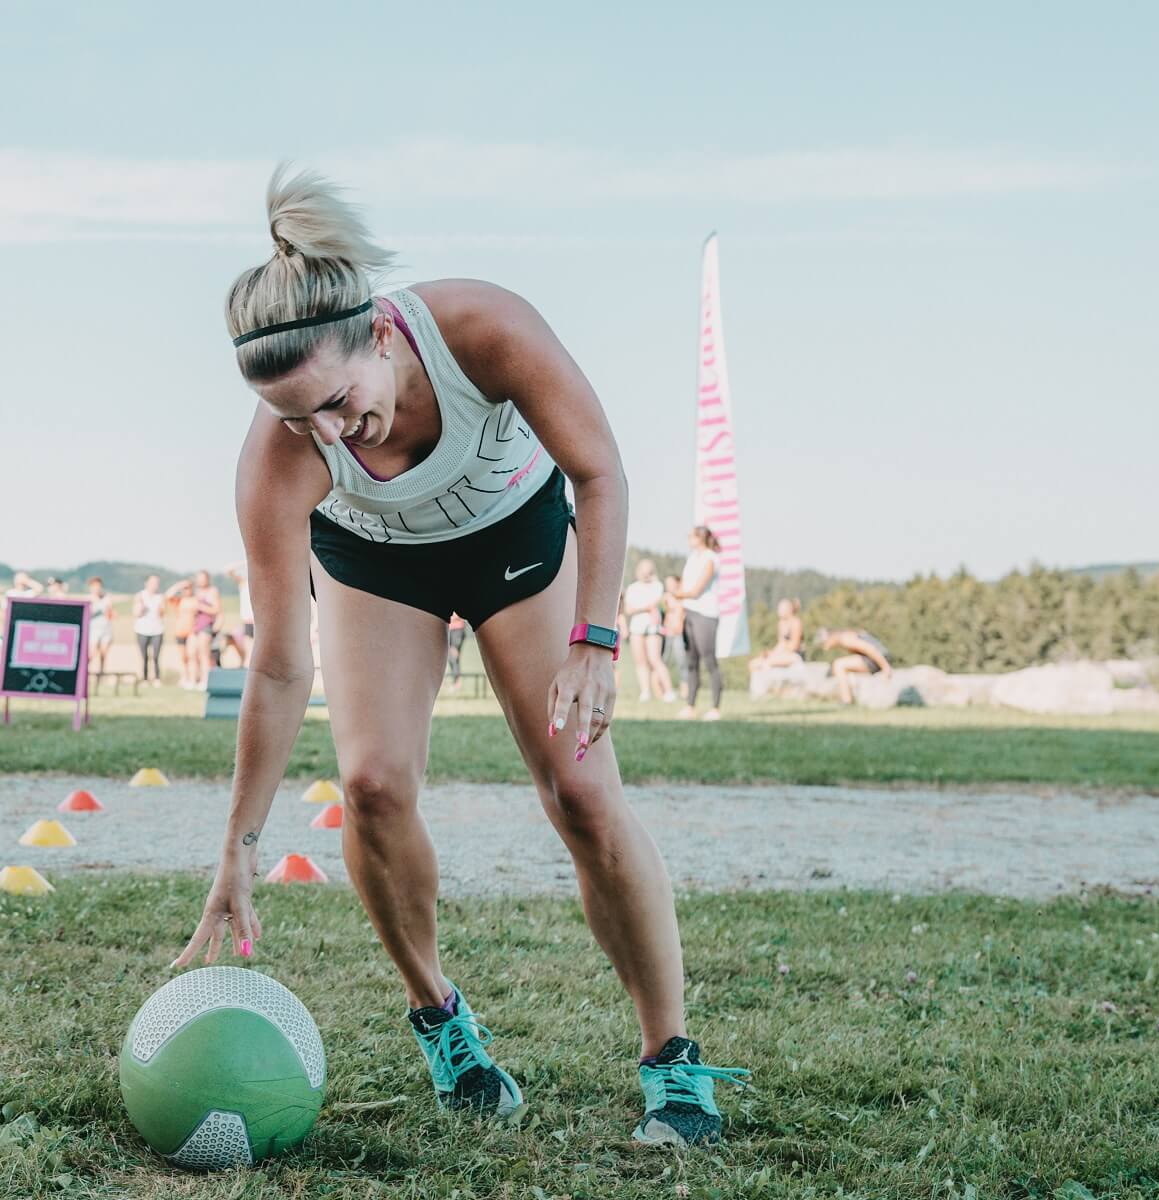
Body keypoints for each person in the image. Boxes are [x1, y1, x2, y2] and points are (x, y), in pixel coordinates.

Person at [175, 168, 744, 1147]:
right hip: (376, 567)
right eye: (295, 417)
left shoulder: (481, 327)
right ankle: (442, 1020)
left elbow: (598, 470)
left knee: (583, 795)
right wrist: (239, 843)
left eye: (337, 400)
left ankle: (673, 1065)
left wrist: (597, 640)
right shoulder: (280, 458)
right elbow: (276, 666)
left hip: (517, 540)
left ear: (383, 336)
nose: (327, 433)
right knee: (373, 786)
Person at [673, 526, 725, 720]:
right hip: (690, 612)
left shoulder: (711, 558)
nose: (688, 539)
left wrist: (675, 594)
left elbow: (696, 590)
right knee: (691, 661)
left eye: (691, 536)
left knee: (709, 659)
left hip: (706, 614)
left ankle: (715, 707)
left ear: (700, 538)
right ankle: (691, 705)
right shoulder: (692, 558)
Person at [621, 559, 677, 702]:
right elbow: (628, 609)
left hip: (653, 628)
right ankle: (645, 692)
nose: (646, 574)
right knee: (640, 661)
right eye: (643, 571)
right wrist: (646, 607)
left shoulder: (657, 586)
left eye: (649, 571)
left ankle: (669, 691)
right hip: (636, 628)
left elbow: (655, 604)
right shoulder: (633, 588)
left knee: (655, 659)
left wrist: (640, 607)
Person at [815, 627, 891, 703]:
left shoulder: (846, 638)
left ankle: (846, 700)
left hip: (880, 658)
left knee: (839, 665)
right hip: (877, 659)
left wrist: (886, 668)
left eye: (824, 643)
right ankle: (848, 698)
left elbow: (870, 649)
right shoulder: (846, 636)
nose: (825, 648)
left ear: (831, 636)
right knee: (841, 666)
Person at [748, 598, 805, 670]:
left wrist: (777, 653)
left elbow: (794, 646)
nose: (778, 611)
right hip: (783, 654)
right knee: (753, 663)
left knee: (767, 663)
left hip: (795, 656)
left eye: (781, 608)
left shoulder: (796, 622)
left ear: (789, 609)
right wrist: (771, 653)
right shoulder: (781, 623)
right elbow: (781, 644)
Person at [132, 574, 166, 686]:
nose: (155, 585)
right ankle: (145, 678)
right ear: (146, 583)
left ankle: (157, 678)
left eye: (157, 583)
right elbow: (136, 613)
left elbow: (162, 613)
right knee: (144, 656)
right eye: (152, 583)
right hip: (142, 630)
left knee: (156, 656)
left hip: (157, 630)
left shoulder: (160, 597)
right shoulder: (140, 596)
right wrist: (140, 605)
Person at [86, 576, 116, 680]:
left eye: (98, 586)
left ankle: (101, 675)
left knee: (103, 653)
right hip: (93, 629)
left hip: (106, 628)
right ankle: (85, 673)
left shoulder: (107, 598)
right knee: (91, 653)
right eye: (94, 586)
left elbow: (111, 613)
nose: (96, 588)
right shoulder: (88, 599)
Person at [444, 612, 468, 686]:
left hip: (458, 630)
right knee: (450, 658)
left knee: (454, 656)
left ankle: (457, 681)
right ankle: (456, 680)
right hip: (450, 630)